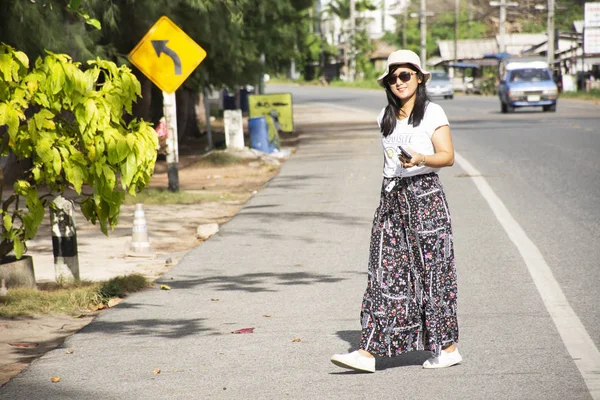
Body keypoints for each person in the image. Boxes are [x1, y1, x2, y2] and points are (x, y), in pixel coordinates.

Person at [330, 50, 461, 373]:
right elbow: (388, 162)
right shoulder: (385, 117)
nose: (399, 82)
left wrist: (420, 159)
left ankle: (447, 348)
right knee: (383, 274)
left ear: (418, 77)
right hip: (391, 199)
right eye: (393, 78)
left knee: (432, 274)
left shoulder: (432, 112)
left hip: (425, 197)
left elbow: (447, 156)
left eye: (405, 75)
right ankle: (369, 352)